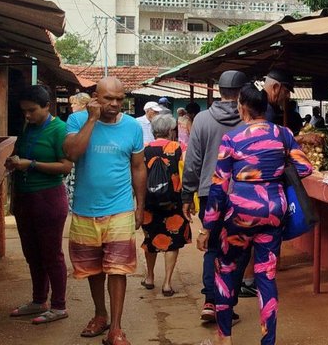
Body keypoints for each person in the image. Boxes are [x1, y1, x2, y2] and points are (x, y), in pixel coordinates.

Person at [199, 83, 313, 345]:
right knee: (266, 276)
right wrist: (274, 175)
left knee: (226, 270)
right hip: (274, 212)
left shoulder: (232, 139)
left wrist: (208, 227)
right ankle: (268, 341)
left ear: (242, 107)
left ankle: (224, 338)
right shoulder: (283, 134)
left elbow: (218, 185)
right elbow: (305, 168)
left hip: (239, 214)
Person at [64, 77, 147, 345]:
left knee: (118, 269)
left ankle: (116, 328)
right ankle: (100, 316)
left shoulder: (132, 127)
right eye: (108, 98)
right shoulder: (77, 121)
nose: (114, 104)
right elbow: (73, 154)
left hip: (120, 208)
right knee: (94, 269)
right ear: (95, 97)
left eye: (119, 99)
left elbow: (138, 167)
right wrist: (91, 120)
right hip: (85, 210)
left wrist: (140, 205)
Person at [181, 70, 247, 322]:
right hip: (242, 195)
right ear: (242, 93)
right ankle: (227, 303)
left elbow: (193, 161)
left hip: (210, 194)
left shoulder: (202, 120)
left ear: (218, 91)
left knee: (212, 248)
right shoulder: (248, 120)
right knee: (239, 249)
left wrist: (187, 194)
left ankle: (210, 300)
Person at [6, 85, 74, 324]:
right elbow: (20, 153)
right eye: (24, 111)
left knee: (51, 254)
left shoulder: (60, 130)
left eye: (32, 110)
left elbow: (66, 166)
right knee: (32, 253)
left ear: (47, 107)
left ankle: (59, 305)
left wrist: (31, 164)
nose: (27, 115)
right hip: (25, 198)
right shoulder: (28, 127)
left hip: (49, 199)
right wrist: (14, 161)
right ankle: (38, 300)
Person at [140, 114, 191, 297]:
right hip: (174, 203)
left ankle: (150, 277)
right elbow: (187, 174)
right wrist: (189, 199)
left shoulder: (143, 149)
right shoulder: (179, 148)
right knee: (172, 240)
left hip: (148, 203)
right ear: (171, 131)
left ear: (153, 131)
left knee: (150, 239)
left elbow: (137, 176)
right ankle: (167, 283)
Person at [65, 92, 92, 209]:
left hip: (78, 158)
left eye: (74, 103)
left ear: (83, 105)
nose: (72, 106)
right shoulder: (97, 117)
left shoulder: (74, 118)